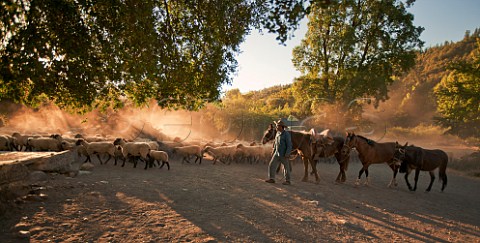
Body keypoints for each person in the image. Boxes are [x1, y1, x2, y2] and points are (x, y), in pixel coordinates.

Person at [265, 119, 293, 185]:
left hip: (284, 154)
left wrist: (287, 153)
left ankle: (288, 180)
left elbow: (289, 145)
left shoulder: (286, 134)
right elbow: (275, 143)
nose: (276, 127)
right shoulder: (277, 133)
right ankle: (272, 178)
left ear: (281, 127)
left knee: (286, 168)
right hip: (276, 153)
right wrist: (273, 150)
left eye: (277, 126)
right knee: (271, 165)